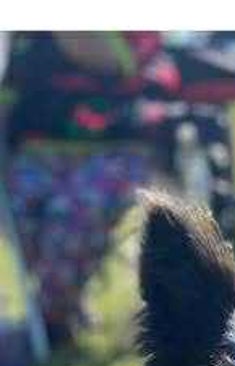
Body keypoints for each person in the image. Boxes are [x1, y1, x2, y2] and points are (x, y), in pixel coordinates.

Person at [1, 33, 179, 346]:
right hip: (36, 149)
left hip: (118, 146)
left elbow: (113, 61)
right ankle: (59, 310)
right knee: (19, 208)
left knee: (73, 213)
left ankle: (54, 321)